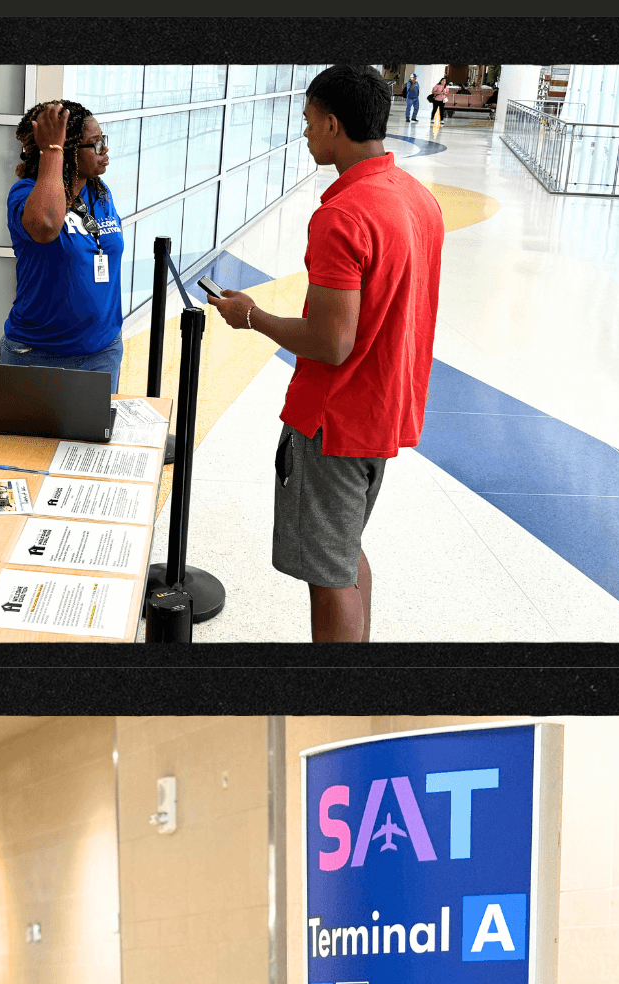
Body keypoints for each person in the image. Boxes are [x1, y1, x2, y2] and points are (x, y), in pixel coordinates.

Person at [207, 65, 444, 642]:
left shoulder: (342, 215)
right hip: (383, 410)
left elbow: (333, 342)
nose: (305, 133)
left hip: (334, 423)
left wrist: (252, 317)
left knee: (330, 576)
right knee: (345, 552)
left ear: (334, 124)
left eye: (310, 121)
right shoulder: (416, 199)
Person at [0, 100, 126, 393]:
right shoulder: (25, 194)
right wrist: (51, 151)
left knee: (90, 441)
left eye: (103, 141)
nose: (104, 151)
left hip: (101, 354)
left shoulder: (100, 194)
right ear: (67, 152)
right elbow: (45, 225)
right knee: (22, 442)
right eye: (94, 145)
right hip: (37, 355)